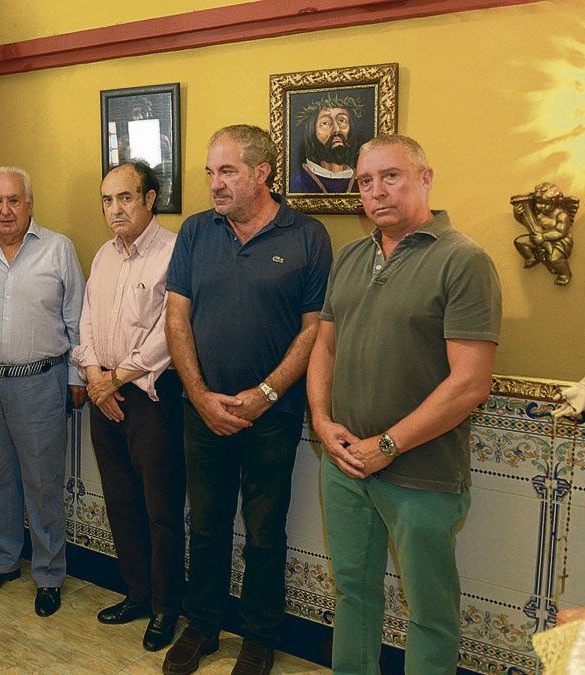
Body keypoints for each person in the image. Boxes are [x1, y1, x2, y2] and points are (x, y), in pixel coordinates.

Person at [307, 135, 501, 674]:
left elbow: (469, 383)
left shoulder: (463, 260)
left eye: (390, 176)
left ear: (425, 178)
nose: (376, 191)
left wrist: (387, 446)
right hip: (345, 466)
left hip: (422, 475)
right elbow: (324, 344)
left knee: (430, 613)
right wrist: (322, 423)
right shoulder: (349, 256)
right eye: (365, 182)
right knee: (352, 594)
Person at [163, 125, 332, 675]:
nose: (215, 183)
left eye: (227, 171)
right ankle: (203, 626)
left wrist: (265, 394)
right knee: (206, 526)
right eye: (210, 172)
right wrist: (198, 394)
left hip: (272, 418)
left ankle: (259, 638)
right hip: (201, 412)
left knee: (264, 534)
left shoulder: (307, 236)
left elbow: (315, 331)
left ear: (262, 174)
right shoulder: (194, 232)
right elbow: (176, 317)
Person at [0, 166, 87, 618]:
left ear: (30, 204)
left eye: (14, 201)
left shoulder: (57, 249)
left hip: (41, 381)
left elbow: (77, 319)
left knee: (43, 483)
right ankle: (4, 560)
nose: (5, 210)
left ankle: (48, 574)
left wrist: (77, 378)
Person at [71, 161, 185, 651]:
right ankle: (136, 594)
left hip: (150, 401)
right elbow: (88, 320)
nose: (114, 209)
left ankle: (165, 608)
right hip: (105, 396)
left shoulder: (174, 252)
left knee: (161, 510)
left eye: (124, 198)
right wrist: (96, 376)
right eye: (106, 200)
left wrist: (116, 378)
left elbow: (170, 333)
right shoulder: (103, 256)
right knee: (121, 503)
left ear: (150, 199)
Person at [289, 95, 363, 194]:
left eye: (342, 121)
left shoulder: (362, 180)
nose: (337, 130)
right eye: (326, 123)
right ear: (312, 132)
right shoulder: (299, 182)